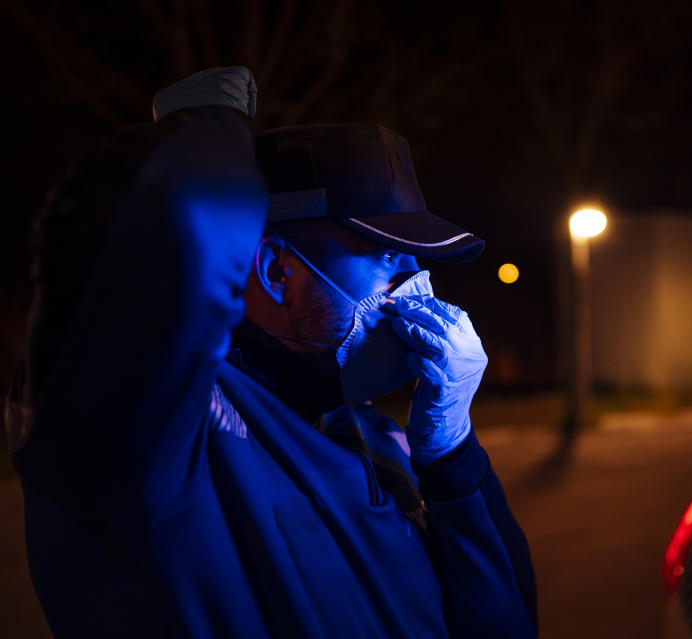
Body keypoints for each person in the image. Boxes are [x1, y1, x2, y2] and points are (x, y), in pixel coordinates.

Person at [5, 67, 536, 638]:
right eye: (387, 258)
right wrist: (205, 135)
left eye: (417, 263)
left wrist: (451, 459)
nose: (416, 287)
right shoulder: (175, 432)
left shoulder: (379, 439)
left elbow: (505, 625)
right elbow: (136, 269)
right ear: (277, 272)